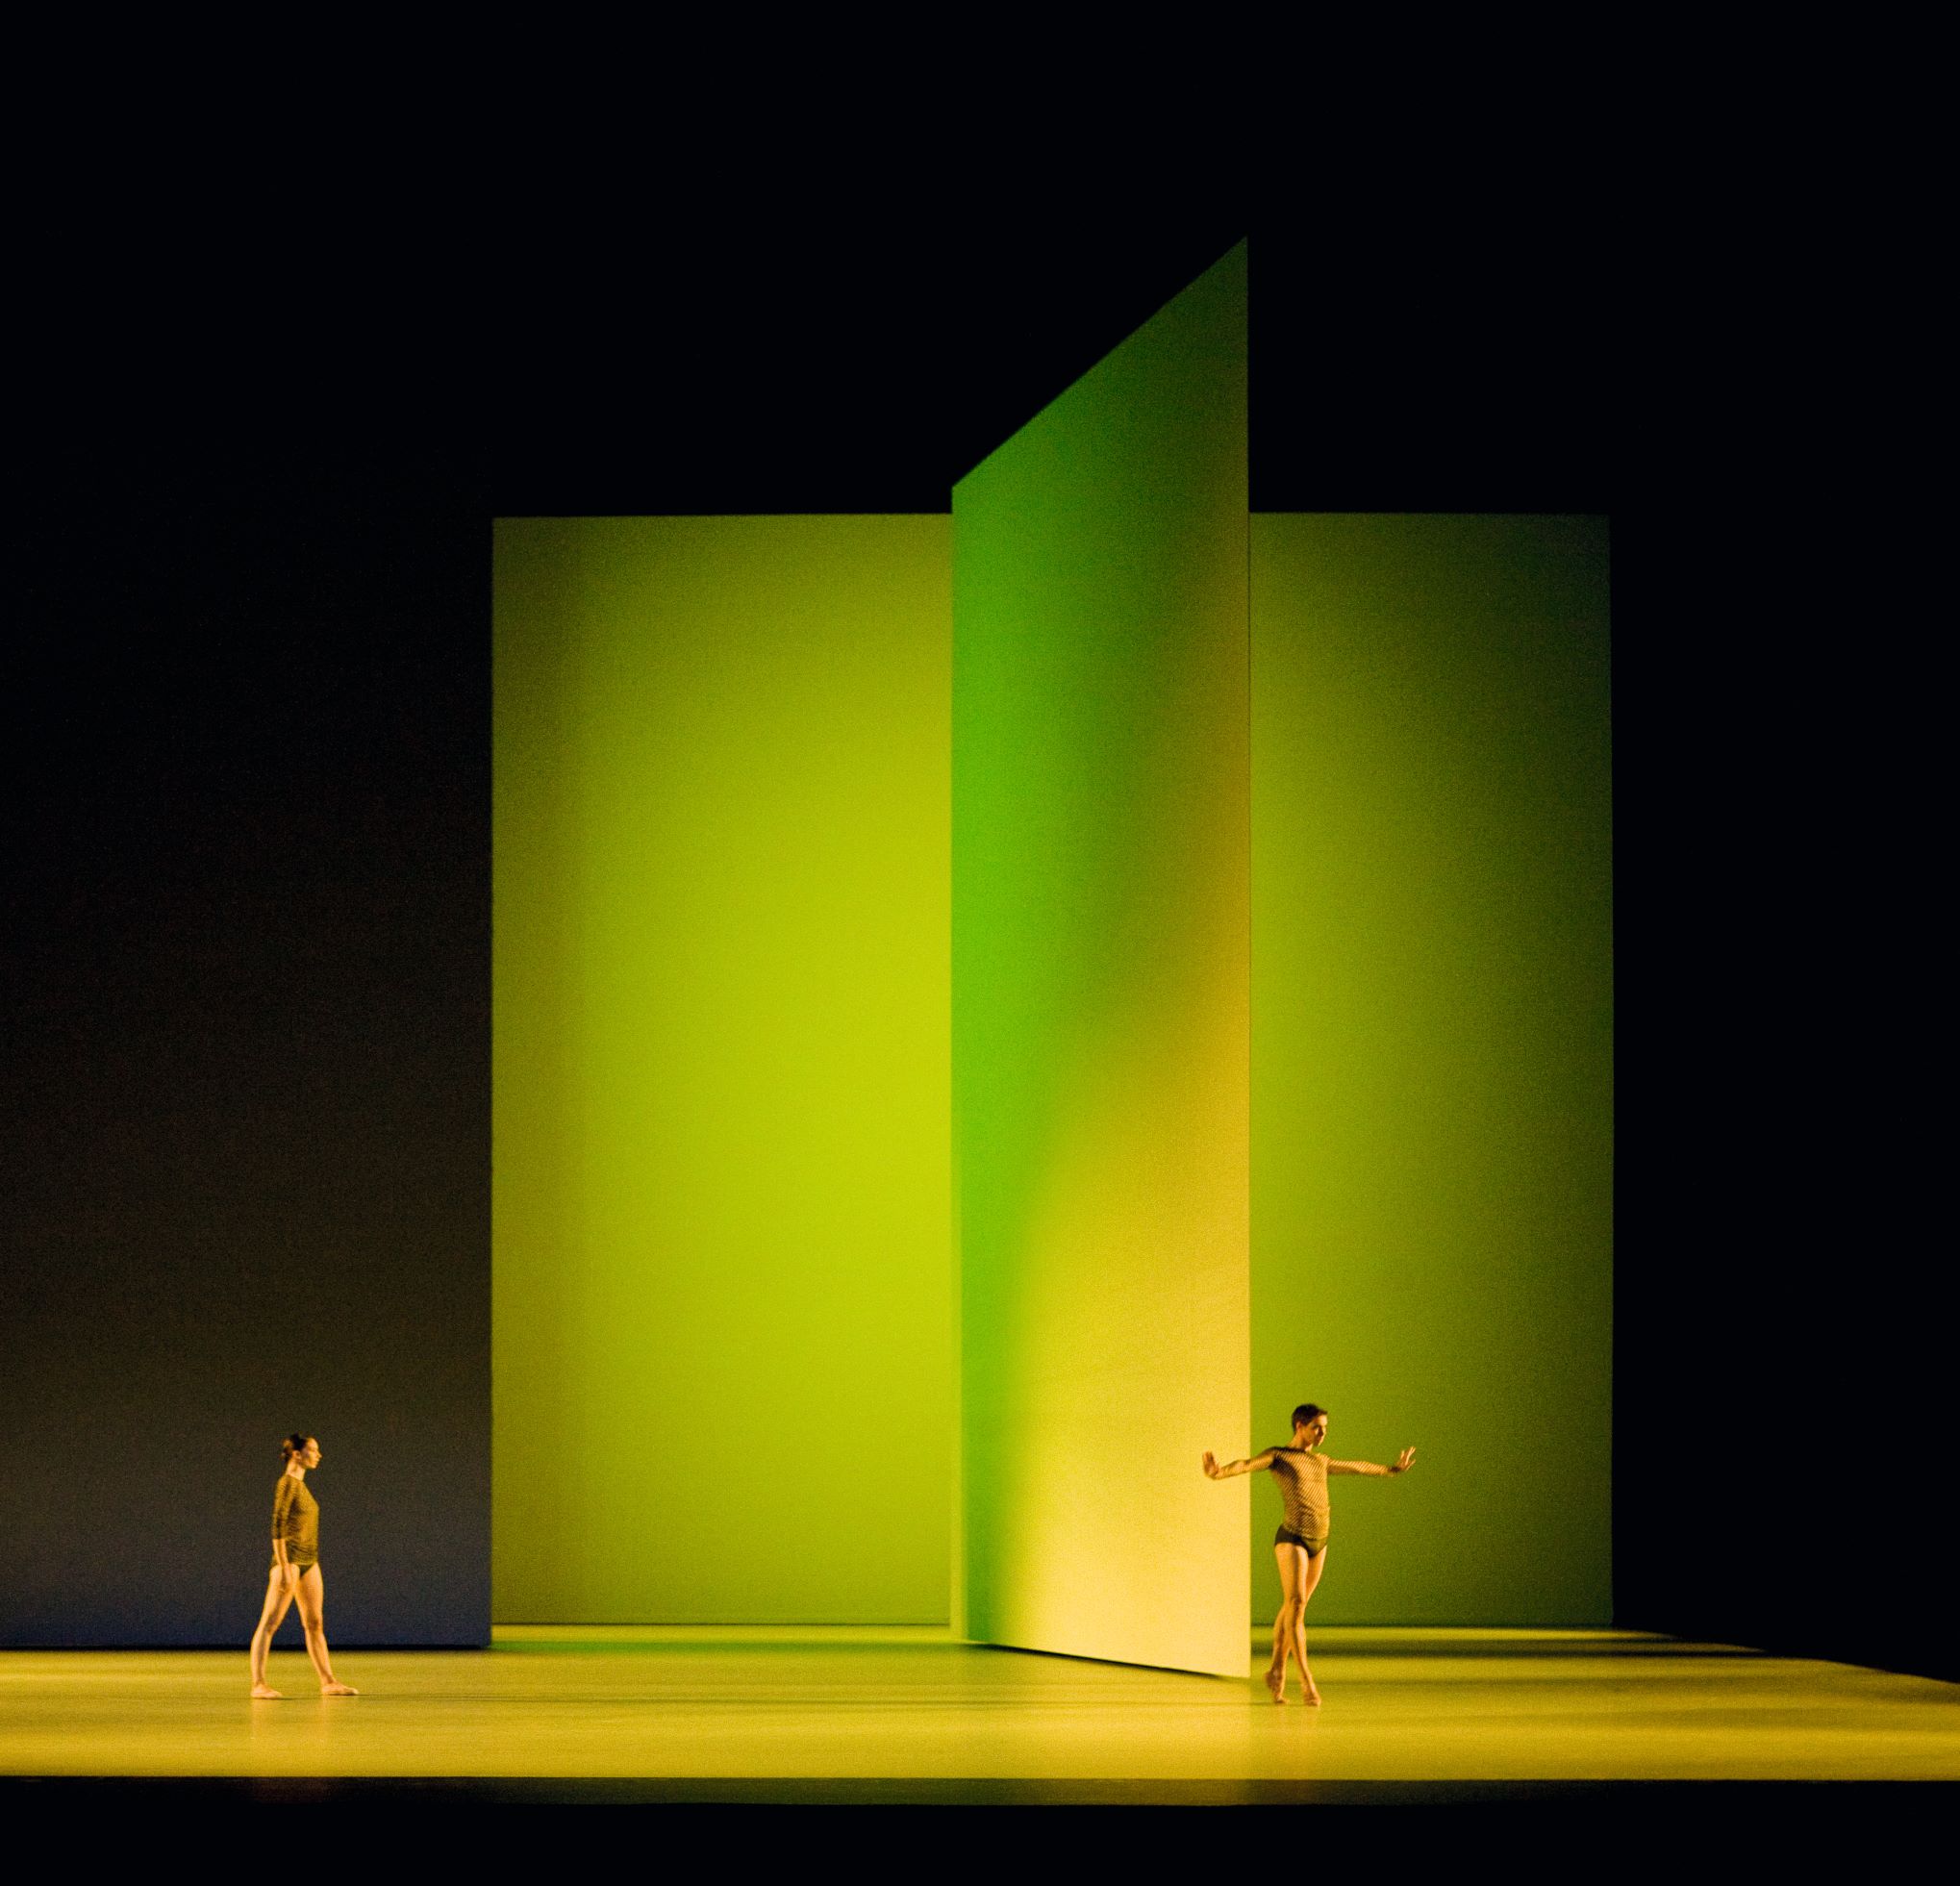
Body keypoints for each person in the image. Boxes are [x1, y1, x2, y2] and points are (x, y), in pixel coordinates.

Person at [1202, 1404, 1415, 1705]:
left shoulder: (1320, 1460)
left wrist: (1391, 1470)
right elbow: (1248, 1464)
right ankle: (1305, 1680)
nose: (1323, 1433)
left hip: (1320, 1540)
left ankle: (1275, 1669)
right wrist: (1220, 1472)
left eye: (1325, 1427)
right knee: (1297, 1604)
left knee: (1293, 1607)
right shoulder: (1280, 1456)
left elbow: (1354, 1466)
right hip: (1293, 1537)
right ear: (1299, 1426)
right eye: (1317, 1427)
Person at [249, 1433, 358, 1698]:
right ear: (297, 1454)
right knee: (270, 1622)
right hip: (290, 1560)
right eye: (313, 1450)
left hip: (310, 1560)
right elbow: (277, 1525)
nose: (318, 1455)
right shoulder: (287, 1484)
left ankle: (328, 1681)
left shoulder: (302, 1486)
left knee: (314, 1622)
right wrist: (285, 1565)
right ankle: (258, 1684)